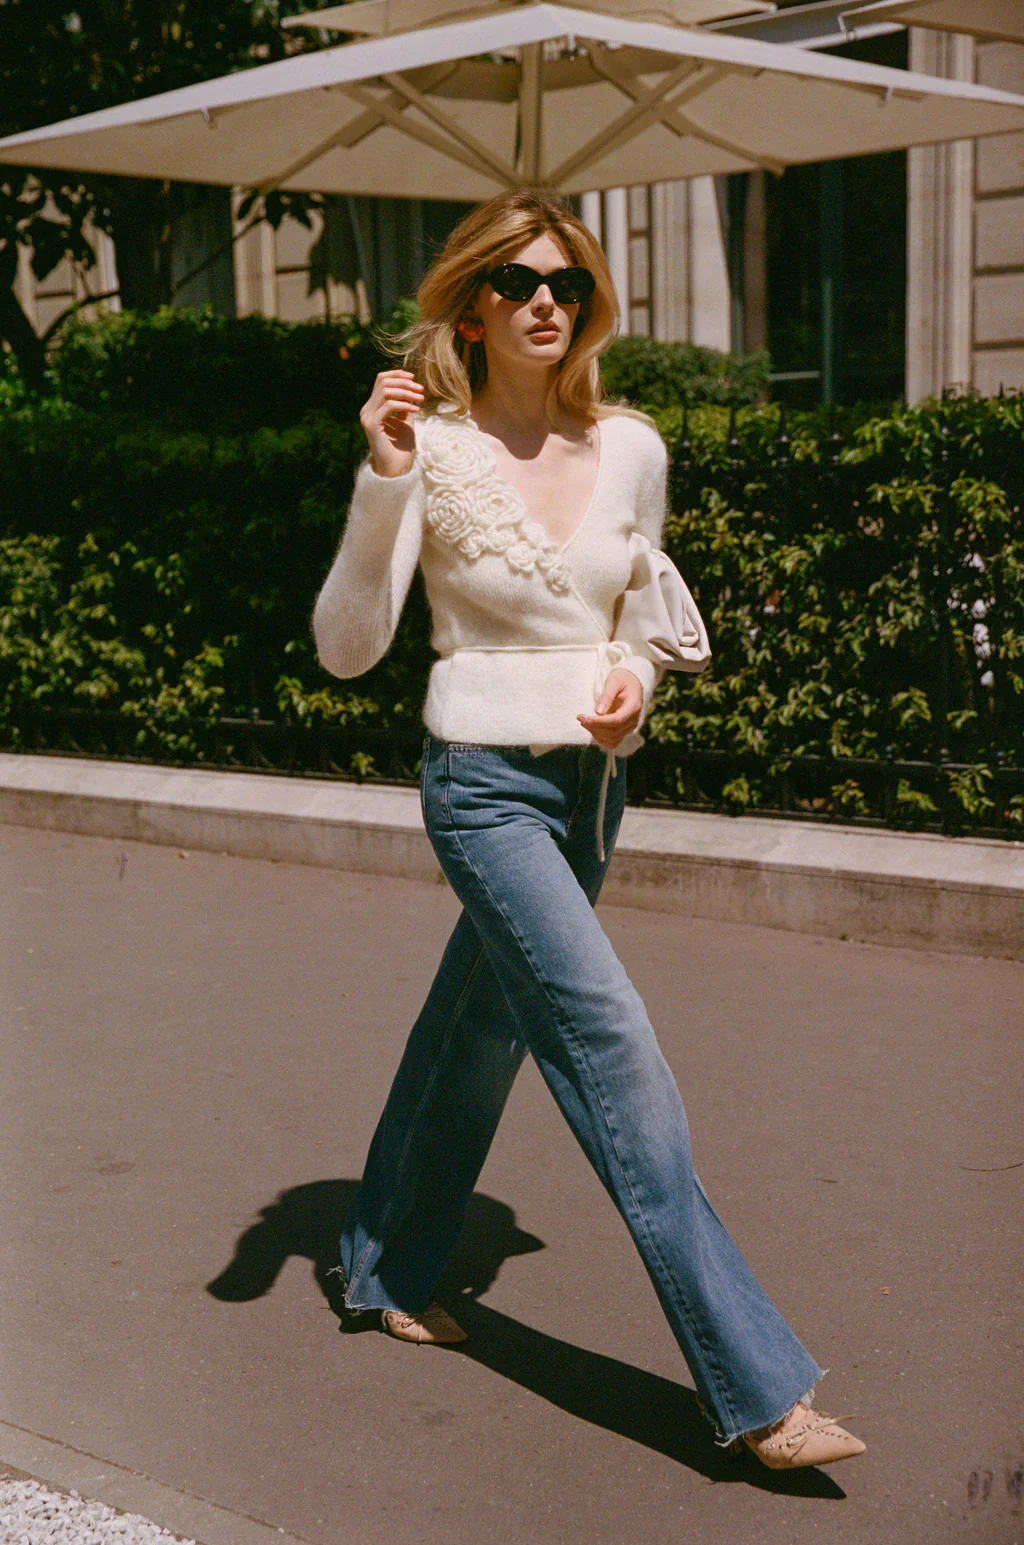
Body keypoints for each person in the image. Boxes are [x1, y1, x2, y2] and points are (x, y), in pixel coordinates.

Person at [311, 190, 865, 1472]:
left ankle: (384, 1264)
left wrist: (637, 683)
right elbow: (348, 652)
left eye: (562, 277)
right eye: (510, 281)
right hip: (485, 784)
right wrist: (384, 483)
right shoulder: (429, 452)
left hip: (593, 790)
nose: (542, 299)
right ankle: (757, 1385)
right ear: (469, 307)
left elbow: (642, 617)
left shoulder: (631, 447)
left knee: (480, 1028)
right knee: (606, 1041)